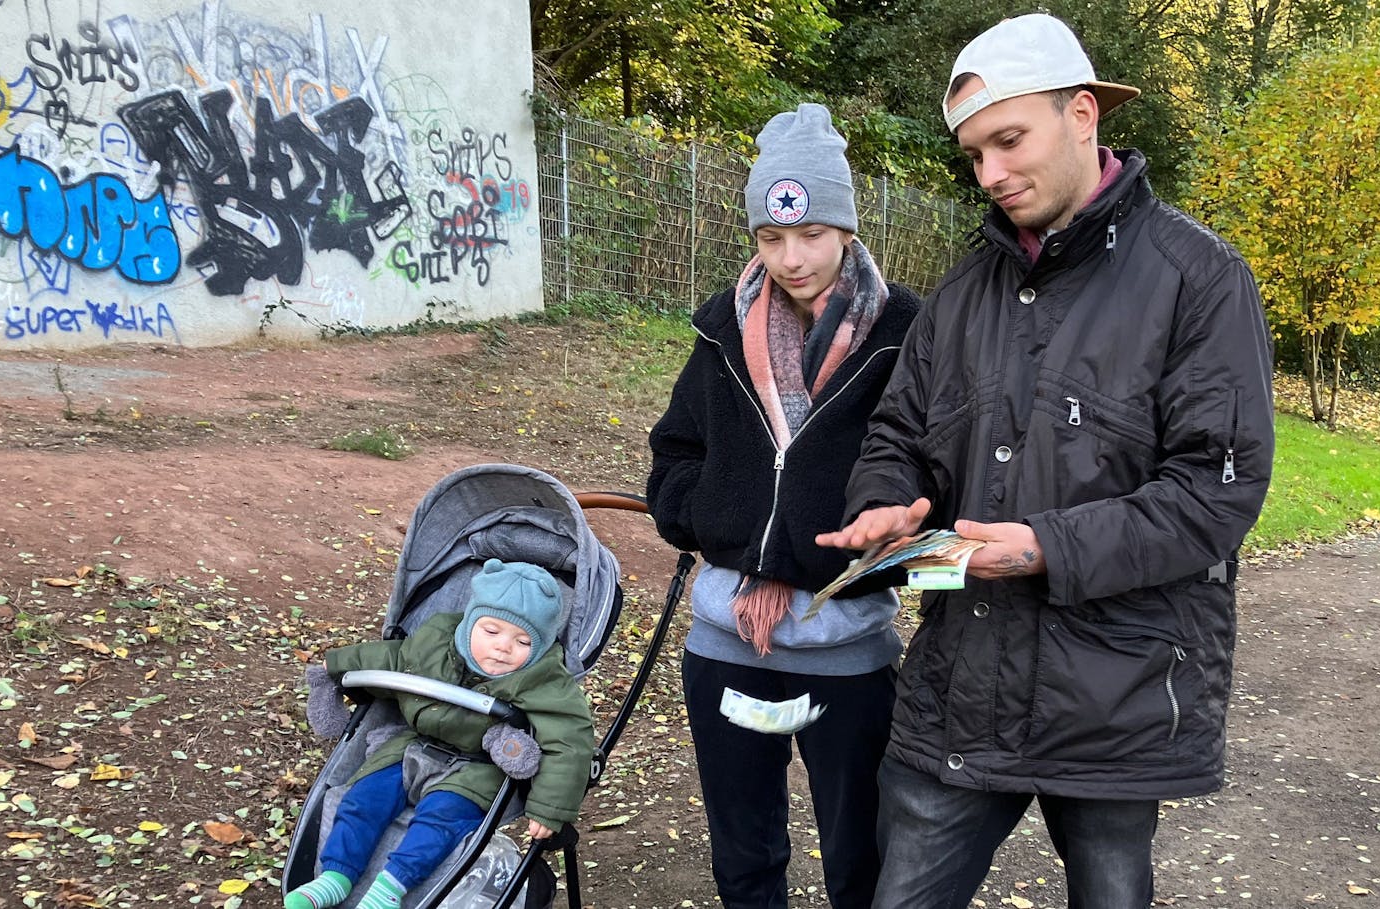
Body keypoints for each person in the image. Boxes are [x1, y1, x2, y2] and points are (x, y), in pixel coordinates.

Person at [815, 13, 1275, 909]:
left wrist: (1046, 547)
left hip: (1118, 697)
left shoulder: (1200, 278)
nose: (990, 174)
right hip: (960, 686)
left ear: (1083, 114)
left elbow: (1215, 492)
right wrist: (889, 500)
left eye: (1008, 140)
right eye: (974, 154)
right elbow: (897, 434)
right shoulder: (957, 296)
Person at [646, 103, 920, 909]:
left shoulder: (907, 332)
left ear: (847, 227)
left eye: (811, 234)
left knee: (860, 859)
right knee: (744, 855)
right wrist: (712, 520)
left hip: (848, 652)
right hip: (726, 644)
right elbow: (676, 451)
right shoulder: (720, 329)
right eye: (771, 237)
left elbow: (933, 463)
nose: (791, 258)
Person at [286, 559, 596, 909]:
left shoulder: (544, 679)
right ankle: (336, 876)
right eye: (491, 631)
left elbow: (570, 739)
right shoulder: (436, 641)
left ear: (539, 647)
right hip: (413, 747)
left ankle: (389, 889)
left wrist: (549, 809)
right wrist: (339, 663)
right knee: (362, 797)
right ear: (469, 624)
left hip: (477, 768)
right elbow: (392, 658)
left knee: (442, 818)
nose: (502, 647)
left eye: (523, 640)